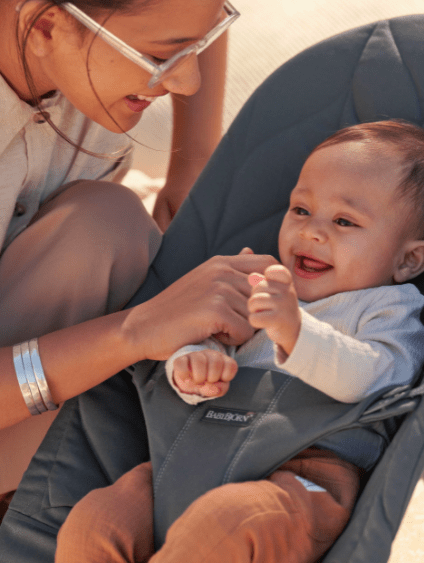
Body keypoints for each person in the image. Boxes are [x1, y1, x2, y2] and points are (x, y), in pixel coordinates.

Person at [54, 120, 424, 563]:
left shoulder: (388, 307)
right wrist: (195, 362)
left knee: (227, 523)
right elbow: (207, 339)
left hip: (302, 474)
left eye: (344, 220)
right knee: (97, 518)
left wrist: (296, 333)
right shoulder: (258, 282)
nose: (311, 231)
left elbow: (375, 377)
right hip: (190, 455)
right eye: (301, 210)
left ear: (408, 260)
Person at [0, 0, 273, 517]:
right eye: (160, 56)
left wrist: (194, 156)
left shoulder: (79, 59)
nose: (186, 82)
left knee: (106, 224)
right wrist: (133, 331)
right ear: (46, 25)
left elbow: (185, 14)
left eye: (197, 46)